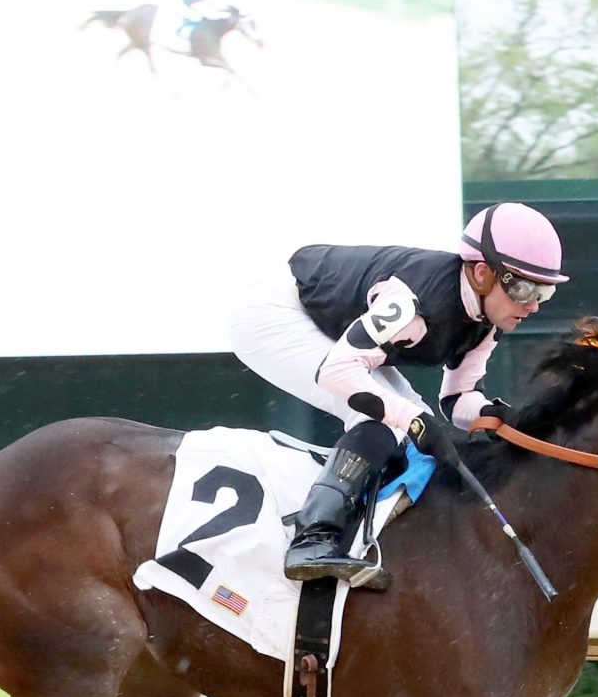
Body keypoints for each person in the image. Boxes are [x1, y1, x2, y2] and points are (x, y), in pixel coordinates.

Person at [230, 202, 569, 582]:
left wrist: (499, 415)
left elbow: (455, 399)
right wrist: (409, 420)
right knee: (382, 419)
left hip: (329, 326)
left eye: (544, 291)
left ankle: (372, 534)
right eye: (523, 287)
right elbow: (339, 370)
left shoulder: (486, 322)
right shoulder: (412, 302)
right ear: (481, 273)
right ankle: (313, 540)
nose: (534, 305)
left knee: (410, 421)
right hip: (275, 312)